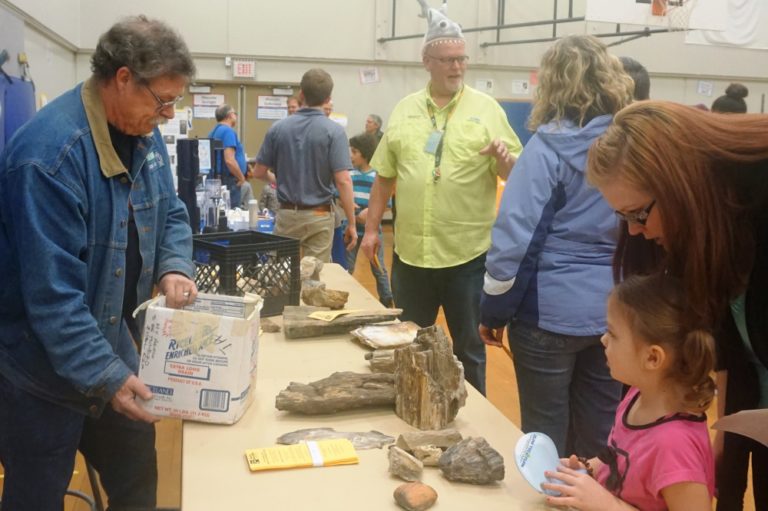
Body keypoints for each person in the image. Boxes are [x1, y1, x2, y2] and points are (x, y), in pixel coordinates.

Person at [0, 15, 197, 509]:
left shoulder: (141, 132)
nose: (169, 114)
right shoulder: (49, 158)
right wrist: (105, 375)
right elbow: (53, 299)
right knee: (36, 498)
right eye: (163, 100)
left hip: (111, 349)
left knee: (137, 489)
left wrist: (172, 264)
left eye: (176, 100)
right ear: (124, 78)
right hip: (40, 377)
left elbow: (170, 210)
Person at [587, 100, 768, 510]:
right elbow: (732, 344)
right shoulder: (708, 234)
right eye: (622, 217)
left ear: (678, 184)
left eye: (639, 213)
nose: (634, 231)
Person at [479, 35, 633, 457]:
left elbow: (516, 239)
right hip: (612, 312)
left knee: (545, 435)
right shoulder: (628, 146)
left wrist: (493, 311)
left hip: (548, 316)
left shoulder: (546, 149)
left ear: (551, 83)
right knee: (602, 430)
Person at [361, 3, 522, 395]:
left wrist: (506, 160)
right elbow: (384, 176)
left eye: (462, 59)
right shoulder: (404, 110)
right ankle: (411, 409)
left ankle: (478, 425)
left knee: (470, 348)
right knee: (409, 344)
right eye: (448, 60)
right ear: (427, 62)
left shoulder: (487, 111)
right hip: (412, 255)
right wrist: (370, 231)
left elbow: (515, 176)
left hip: (467, 257)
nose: (457, 67)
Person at [542, 274, 716, 511]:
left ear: (652, 357)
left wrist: (607, 504)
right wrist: (587, 468)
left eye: (613, 334)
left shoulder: (674, 445)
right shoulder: (637, 395)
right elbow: (621, 460)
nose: (603, 340)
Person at [252, 68, 356, 261]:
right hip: (319, 214)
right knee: (316, 279)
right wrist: (351, 223)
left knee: (282, 276)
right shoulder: (335, 132)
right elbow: (343, 181)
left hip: (286, 214)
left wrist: (275, 179)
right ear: (328, 99)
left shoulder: (277, 129)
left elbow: (258, 172)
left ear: (301, 94)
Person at [346, 132, 393, 307]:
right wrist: (349, 206)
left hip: (372, 233)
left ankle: (387, 299)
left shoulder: (376, 177)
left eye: (355, 151)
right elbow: (340, 197)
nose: (351, 155)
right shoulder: (350, 175)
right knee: (347, 267)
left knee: (378, 268)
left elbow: (386, 202)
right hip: (350, 230)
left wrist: (369, 211)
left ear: (364, 154)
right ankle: (345, 299)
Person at [209, 103, 252, 208]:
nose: (236, 116)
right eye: (235, 114)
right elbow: (229, 160)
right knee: (230, 215)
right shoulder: (228, 131)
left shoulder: (214, 131)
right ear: (230, 115)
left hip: (218, 180)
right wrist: (241, 178)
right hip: (229, 182)